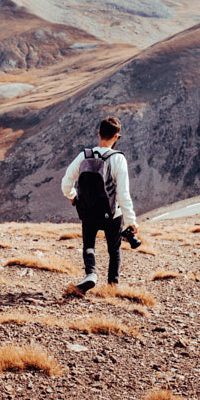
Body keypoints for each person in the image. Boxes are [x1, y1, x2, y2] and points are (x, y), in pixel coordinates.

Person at [61, 116, 137, 292]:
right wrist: (131, 220)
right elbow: (123, 193)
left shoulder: (84, 155)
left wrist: (73, 198)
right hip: (112, 213)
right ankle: (112, 286)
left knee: (89, 244)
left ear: (99, 133)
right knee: (114, 250)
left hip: (88, 211)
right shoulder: (118, 159)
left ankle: (91, 274)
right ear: (116, 137)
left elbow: (66, 182)